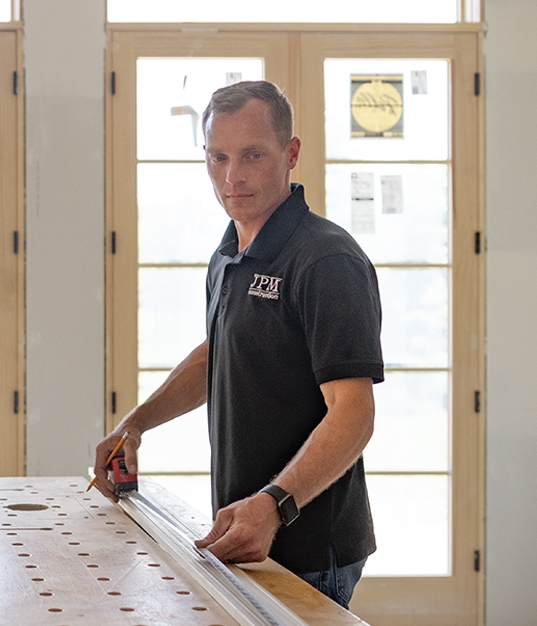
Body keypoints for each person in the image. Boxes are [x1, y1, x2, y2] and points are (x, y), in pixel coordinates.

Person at [92, 80, 382, 609]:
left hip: (308, 544)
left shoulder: (326, 260)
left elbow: (354, 414)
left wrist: (273, 506)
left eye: (252, 155)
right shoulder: (230, 251)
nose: (233, 176)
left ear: (291, 153)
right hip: (245, 535)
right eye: (217, 157)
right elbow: (218, 354)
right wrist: (134, 424)